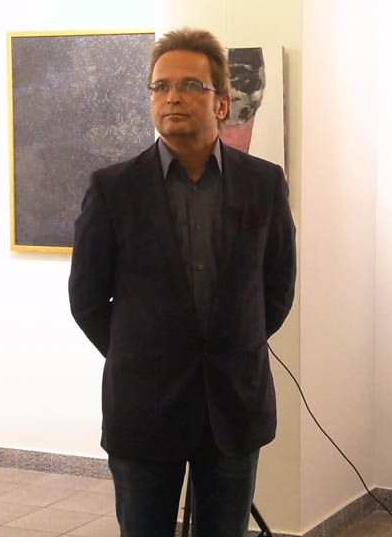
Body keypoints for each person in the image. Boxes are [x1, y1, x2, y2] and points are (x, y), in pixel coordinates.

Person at [69, 28, 296, 537]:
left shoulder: (263, 182)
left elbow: (278, 284)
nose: (172, 96)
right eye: (161, 86)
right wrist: (140, 352)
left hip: (233, 405)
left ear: (221, 103)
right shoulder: (113, 188)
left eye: (190, 85)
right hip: (143, 405)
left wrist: (233, 344)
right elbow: (87, 298)